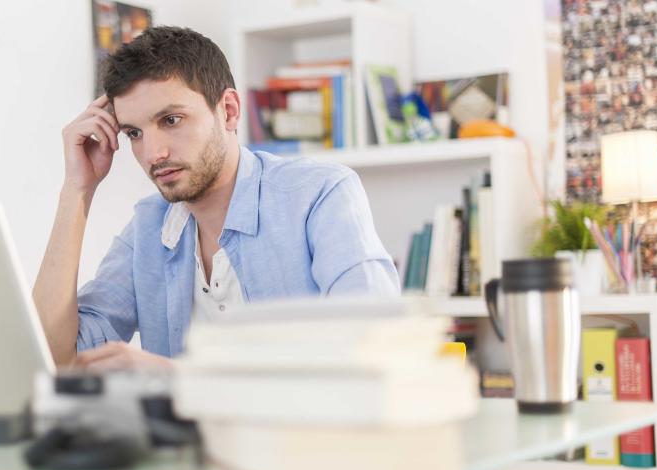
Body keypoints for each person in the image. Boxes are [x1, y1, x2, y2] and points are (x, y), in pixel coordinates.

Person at [33, 26, 399, 371]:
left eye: (171, 120)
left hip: (309, 438)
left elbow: (374, 349)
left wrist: (178, 380)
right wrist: (77, 190)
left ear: (228, 111)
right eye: (134, 133)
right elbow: (55, 357)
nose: (152, 153)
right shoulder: (148, 228)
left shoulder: (319, 195)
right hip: (191, 441)